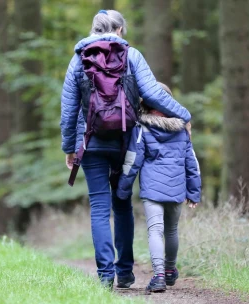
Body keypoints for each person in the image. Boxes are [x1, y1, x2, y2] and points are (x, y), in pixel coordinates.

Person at [60, 10, 191, 289]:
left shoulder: (78, 60)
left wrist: (69, 147)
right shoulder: (132, 56)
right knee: (122, 204)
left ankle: (105, 276)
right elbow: (154, 94)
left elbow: (69, 109)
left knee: (98, 207)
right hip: (126, 142)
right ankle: (126, 272)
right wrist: (184, 115)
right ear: (119, 30)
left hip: (91, 142)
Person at [116, 83, 201, 293]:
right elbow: (192, 163)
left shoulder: (142, 128)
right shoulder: (182, 129)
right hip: (177, 188)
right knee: (172, 230)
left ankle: (159, 275)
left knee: (155, 231)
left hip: (152, 190)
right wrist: (194, 191)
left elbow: (132, 160)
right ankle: (171, 270)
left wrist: (123, 189)